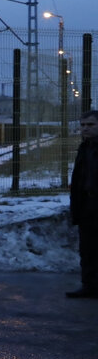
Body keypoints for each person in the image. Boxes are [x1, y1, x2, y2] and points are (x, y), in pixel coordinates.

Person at [66, 110, 98, 298]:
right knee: (87, 248)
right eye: (83, 125)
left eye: (91, 125)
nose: (85, 128)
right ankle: (90, 285)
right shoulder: (85, 147)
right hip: (87, 204)